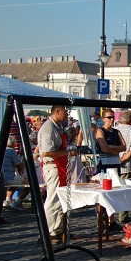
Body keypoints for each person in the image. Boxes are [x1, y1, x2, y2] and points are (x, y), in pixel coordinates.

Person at [37, 105, 76, 245]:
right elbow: (46, 152)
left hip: (60, 166)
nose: (67, 115)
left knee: (61, 199)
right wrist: (67, 152)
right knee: (53, 199)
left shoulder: (57, 127)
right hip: (53, 166)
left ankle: (58, 229)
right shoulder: (48, 128)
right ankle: (49, 232)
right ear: (57, 112)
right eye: (65, 112)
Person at [115, 110, 131, 224]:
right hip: (126, 164)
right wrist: (122, 159)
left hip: (113, 163)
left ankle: (109, 216)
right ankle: (122, 215)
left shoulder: (114, 130)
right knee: (124, 190)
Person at [2, 136, 30, 210]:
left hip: (1, 177)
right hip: (8, 177)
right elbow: (19, 164)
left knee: (17, 180)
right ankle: (17, 202)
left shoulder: (0, 150)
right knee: (31, 182)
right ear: (13, 143)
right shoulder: (10, 151)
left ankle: (8, 200)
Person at [95, 109, 126, 175]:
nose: (111, 119)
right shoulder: (100, 131)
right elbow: (105, 149)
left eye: (113, 117)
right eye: (109, 117)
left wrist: (112, 146)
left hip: (116, 164)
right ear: (103, 119)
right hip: (104, 164)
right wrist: (116, 151)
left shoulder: (117, 132)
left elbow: (124, 147)